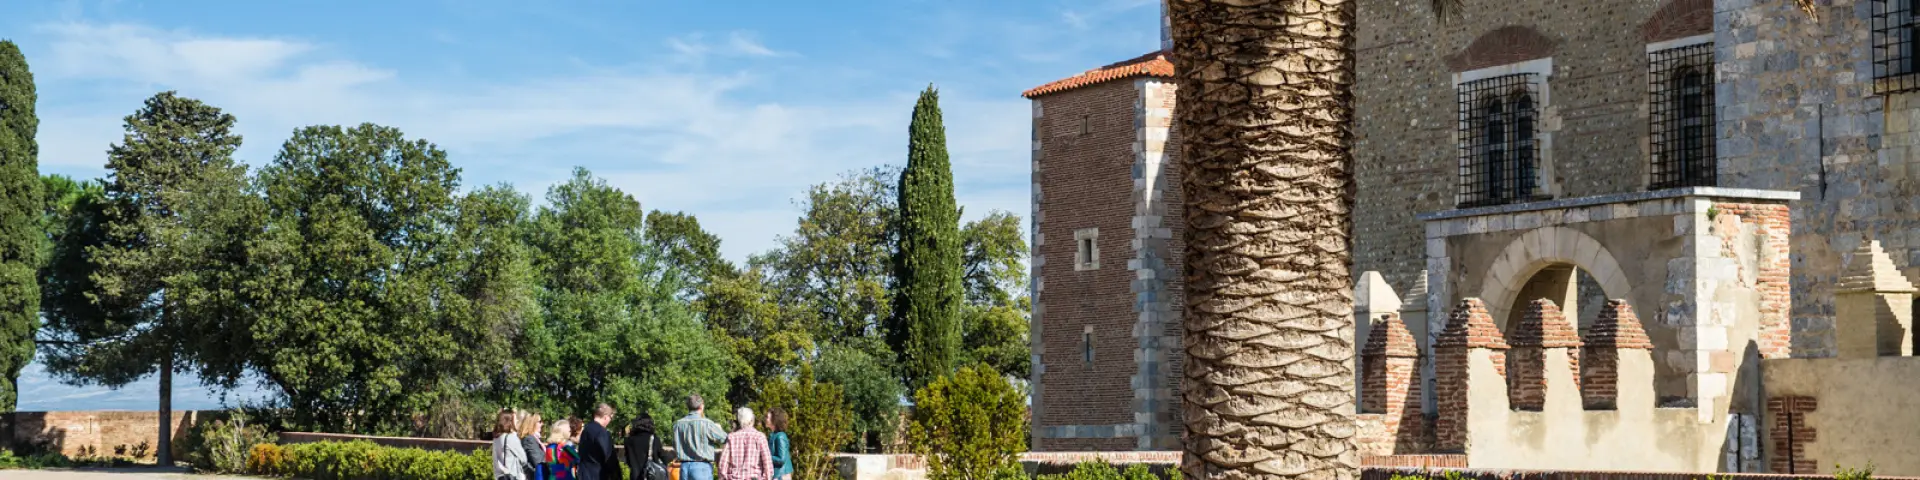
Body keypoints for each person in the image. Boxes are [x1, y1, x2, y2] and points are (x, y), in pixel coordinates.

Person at [671, 394, 728, 480]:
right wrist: (719, 428)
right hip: (701, 467)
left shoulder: (678, 424)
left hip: (683, 467)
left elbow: (675, 445)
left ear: (688, 406)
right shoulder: (707, 424)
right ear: (701, 406)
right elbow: (725, 439)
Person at [717, 407, 771, 480]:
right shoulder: (760, 437)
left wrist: (723, 477)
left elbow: (723, 464)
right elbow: (767, 463)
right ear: (752, 420)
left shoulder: (731, 437)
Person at [578, 403, 621, 480]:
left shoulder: (586, 430)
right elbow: (609, 458)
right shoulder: (602, 433)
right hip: (599, 475)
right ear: (605, 417)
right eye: (610, 418)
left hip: (584, 474)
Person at [626, 413, 672, 480]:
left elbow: (628, 460)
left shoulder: (629, 440)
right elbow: (663, 456)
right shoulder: (654, 438)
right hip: (651, 475)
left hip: (635, 476)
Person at [493, 409, 531, 480]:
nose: (517, 421)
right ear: (509, 422)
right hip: (512, 475)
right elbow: (523, 458)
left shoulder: (496, 438)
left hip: (500, 476)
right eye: (515, 419)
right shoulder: (511, 437)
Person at [765, 408, 791, 480]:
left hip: (781, 476)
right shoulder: (774, 435)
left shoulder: (780, 436)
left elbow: (781, 459)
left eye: (767, 417)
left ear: (774, 420)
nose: (765, 419)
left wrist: (766, 456)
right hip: (777, 474)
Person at [520, 412, 548, 480]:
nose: (542, 424)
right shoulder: (529, 439)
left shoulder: (534, 439)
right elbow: (539, 461)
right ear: (532, 423)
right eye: (539, 422)